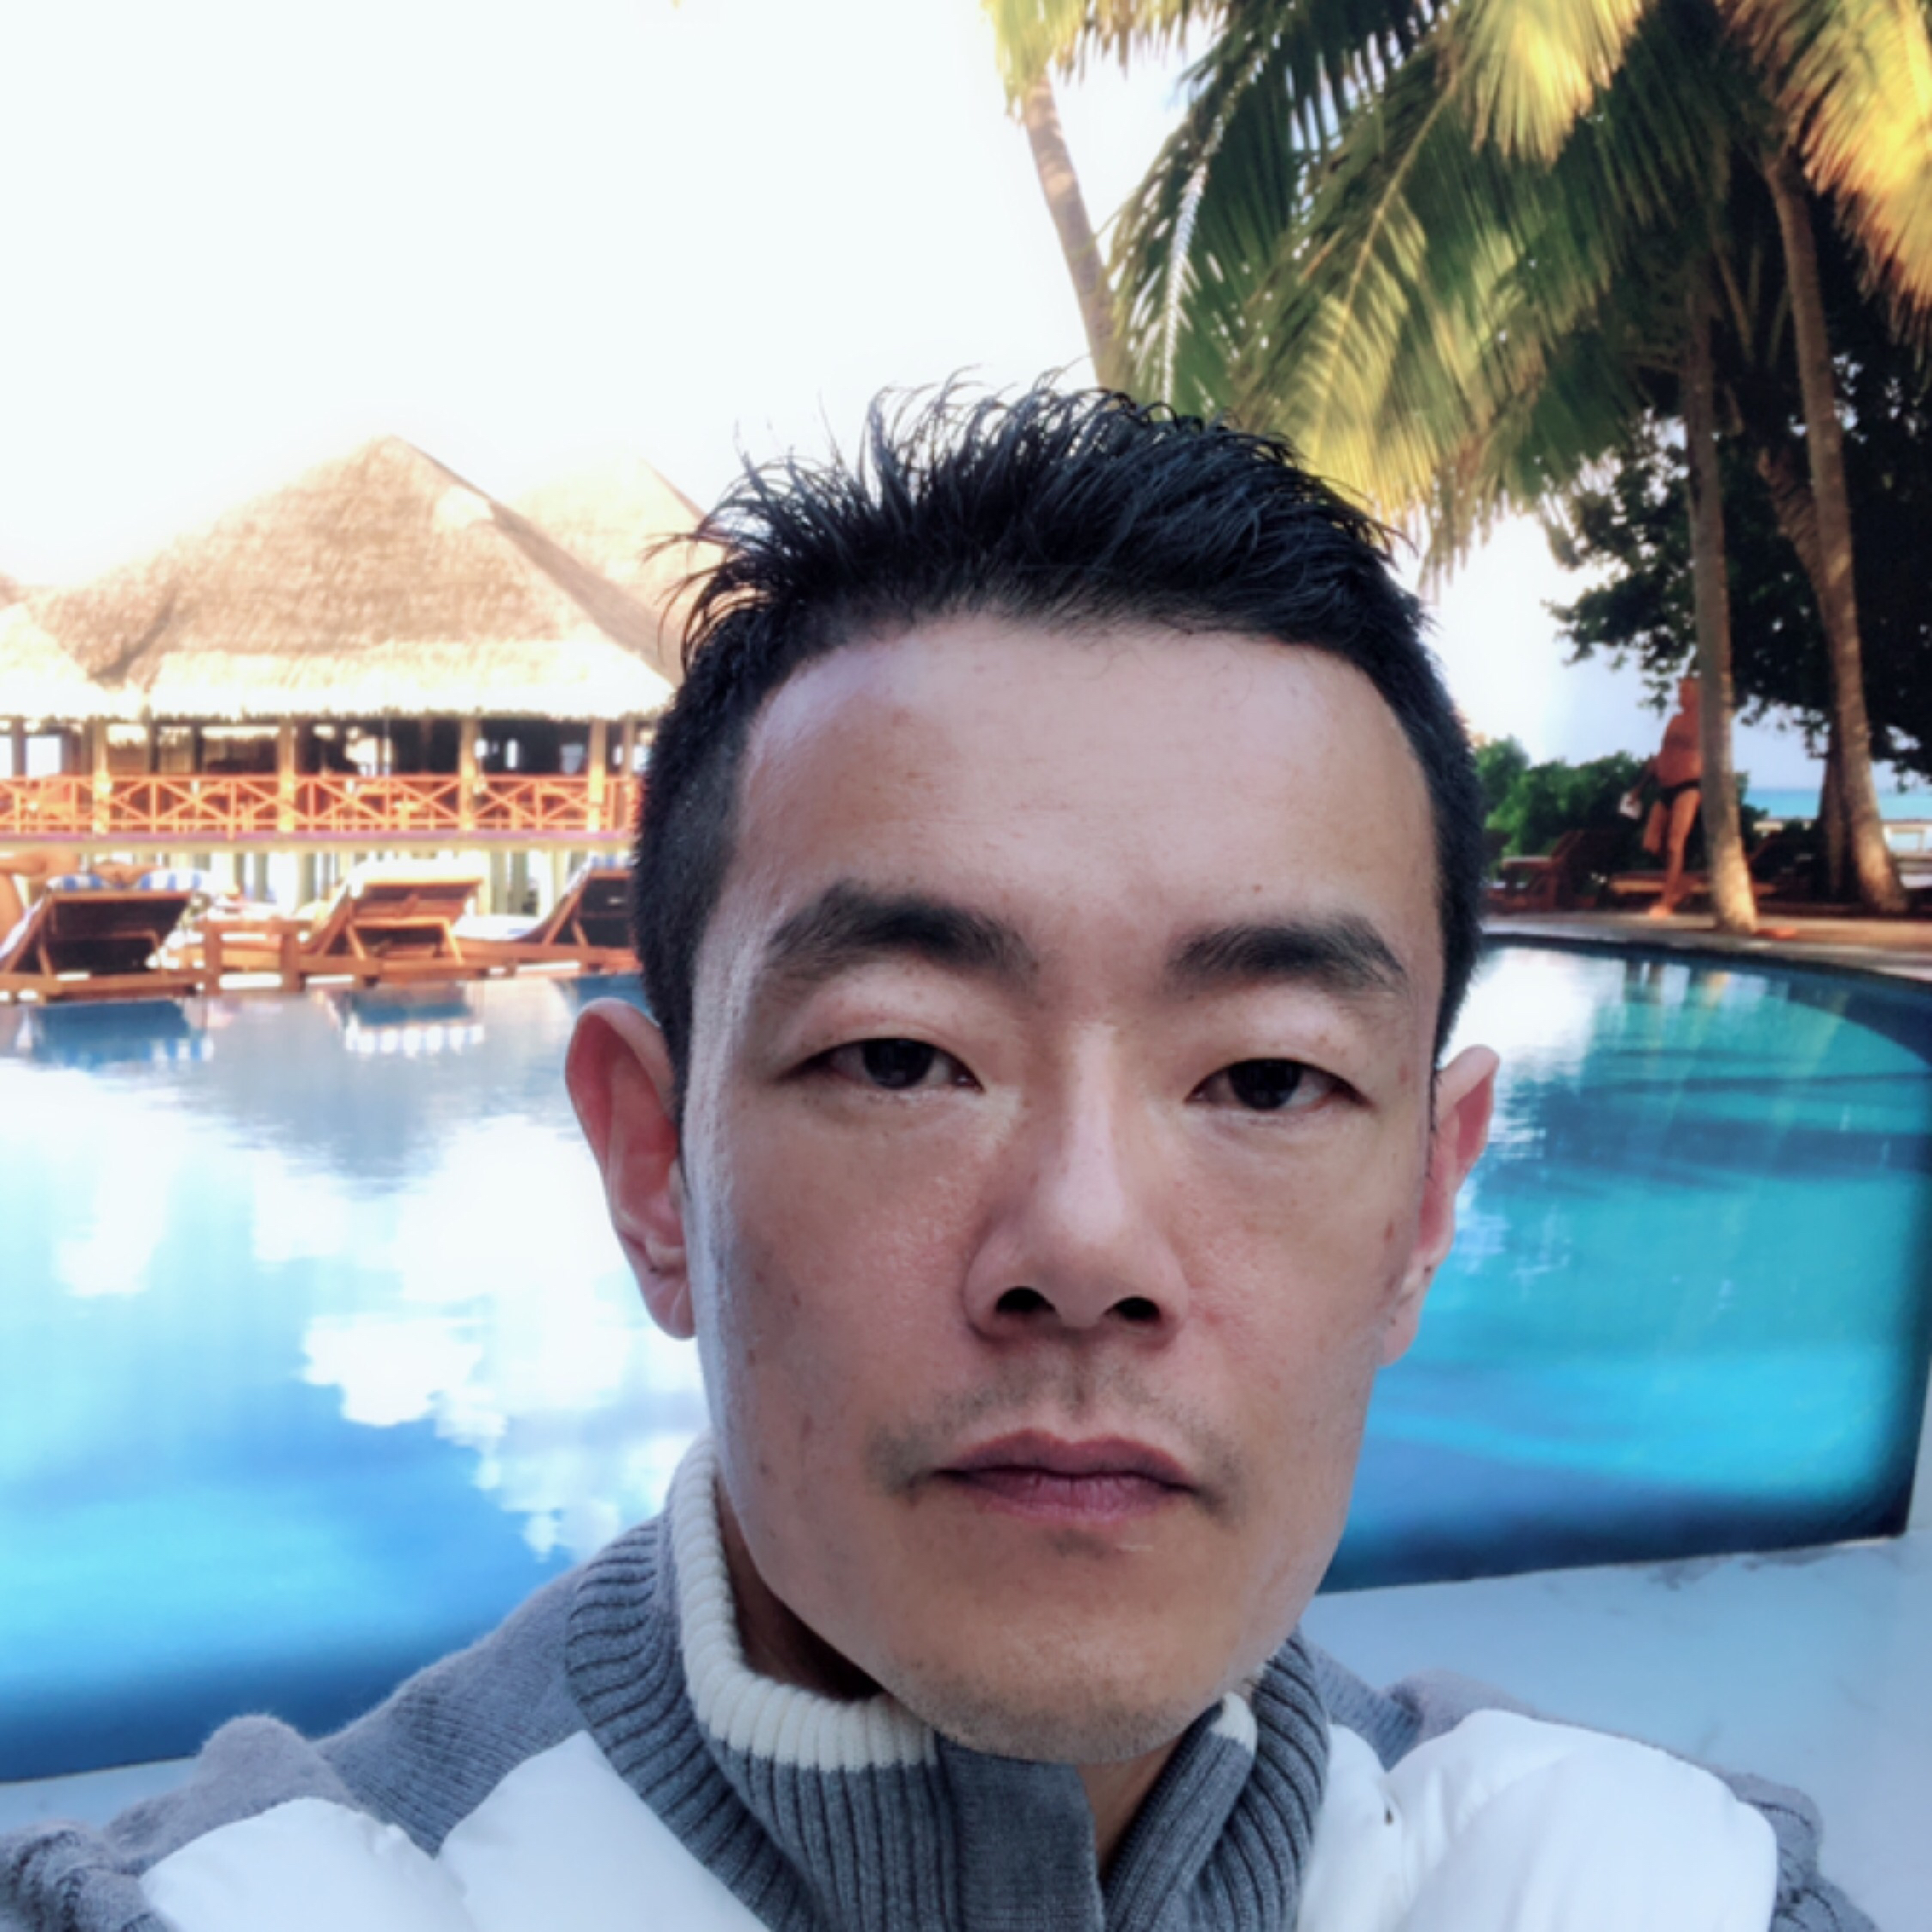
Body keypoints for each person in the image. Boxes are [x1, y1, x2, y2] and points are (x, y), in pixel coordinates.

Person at [1, 389, 1867, 1932]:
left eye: (1269, 1079)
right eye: (902, 1056)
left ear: (1428, 1204)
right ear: (653, 1169)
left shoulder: (1647, 1889)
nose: (1085, 1242)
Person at [1642, 677, 1704, 918]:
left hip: (1688, 786)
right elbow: (1664, 751)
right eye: (1680, 691)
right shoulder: (1675, 721)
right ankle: (1680, 880)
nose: (1680, 696)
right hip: (1665, 785)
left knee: (1675, 843)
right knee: (1651, 842)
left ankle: (1667, 900)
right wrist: (1641, 786)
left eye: (1685, 691)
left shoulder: (1704, 722)